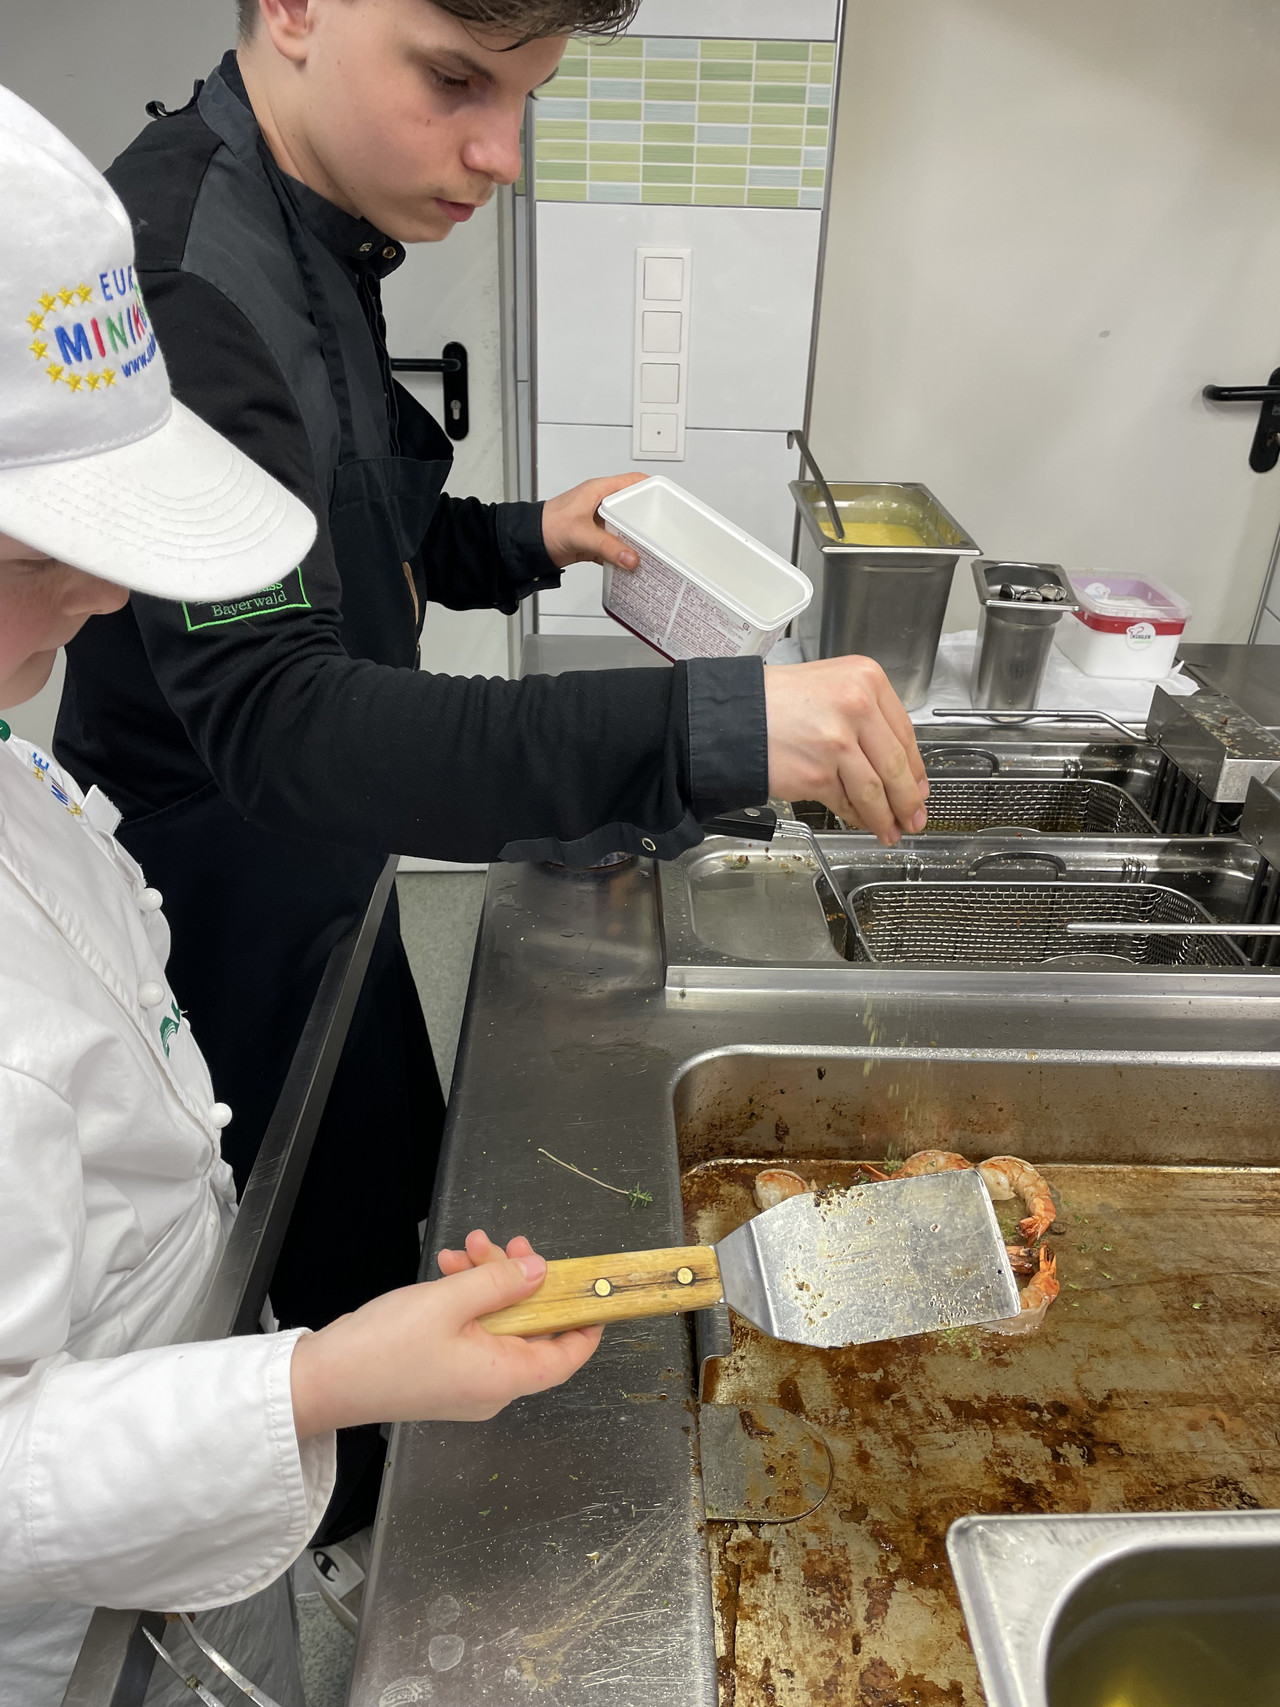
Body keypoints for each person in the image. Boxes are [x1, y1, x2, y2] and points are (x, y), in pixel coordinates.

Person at [55, 0, 930, 1534]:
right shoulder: (186, 278)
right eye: (456, 81)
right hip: (224, 900)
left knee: (392, 1199)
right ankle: (344, 1541)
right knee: (304, 1270)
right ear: (294, 8)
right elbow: (280, 715)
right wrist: (707, 729)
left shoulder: (315, 223)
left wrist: (529, 538)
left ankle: (372, 1497)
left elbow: (341, 535)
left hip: (332, 861)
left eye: (527, 95)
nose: (501, 154)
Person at [0, 86, 600, 1707]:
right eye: (38, 550)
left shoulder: (18, 765)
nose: (110, 594)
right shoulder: (205, 249)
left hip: (191, 1492)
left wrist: (289, 1359)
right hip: (69, 1638)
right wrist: (318, 1382)